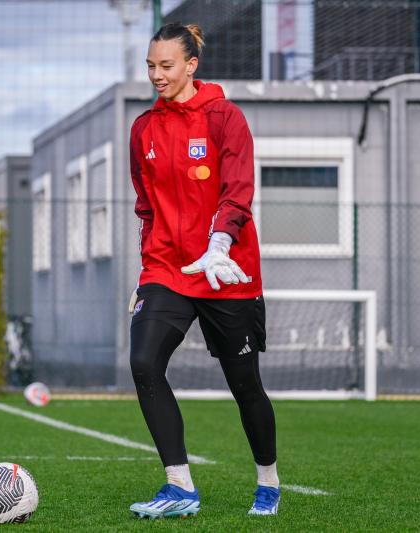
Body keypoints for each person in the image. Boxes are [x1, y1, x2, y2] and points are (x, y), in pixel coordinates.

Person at [127, 23, 280, 518]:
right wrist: (146, 269)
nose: (156, 75)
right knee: (145, 362)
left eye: (165, 66)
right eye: (150, 66)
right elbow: (146, 208)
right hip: (169, 269)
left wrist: (219, 245)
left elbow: (238, 191)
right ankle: (179, 488)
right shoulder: (143, 130)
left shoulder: (225, 118)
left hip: (226, 269)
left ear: (191, 65)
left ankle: (268, 481)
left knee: (245, 384)